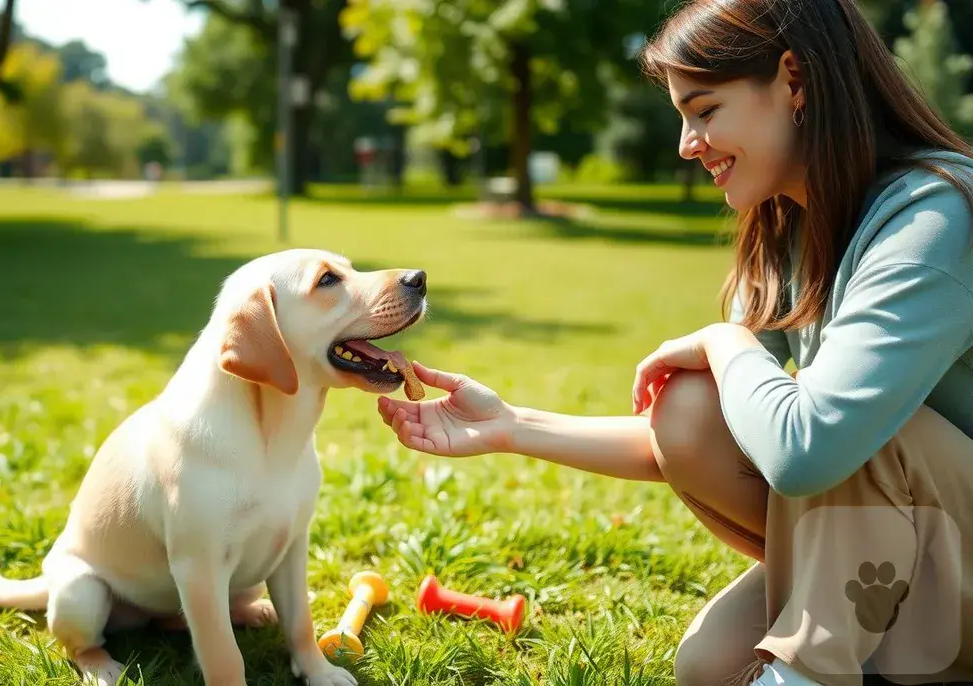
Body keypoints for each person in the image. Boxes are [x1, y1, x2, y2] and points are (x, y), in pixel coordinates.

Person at [376, 1, 973, 684]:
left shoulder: (934, 219)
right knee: (709, 656)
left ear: (794, 81)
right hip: (915, 556)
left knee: (854, 430)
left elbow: (809, 449)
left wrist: (729, 342)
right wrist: (512, 426)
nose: (687, 143)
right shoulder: (791, 230)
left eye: (706, 109)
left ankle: (810, 669)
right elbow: (698, 438)